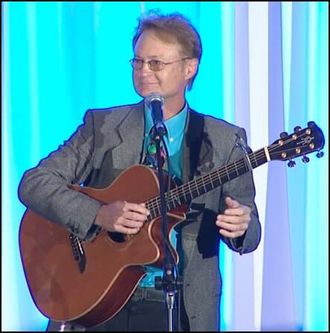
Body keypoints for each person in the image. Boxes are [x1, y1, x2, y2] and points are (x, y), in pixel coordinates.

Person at [18, 10, 261, 332]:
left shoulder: (223, 140)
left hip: (180, 307)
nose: (144, 71)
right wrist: (97, 214)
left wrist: (240, 225)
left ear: (190, 68)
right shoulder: (102, 126)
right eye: (137, 62)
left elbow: (252, 232)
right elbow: (33, 183)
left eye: (156, 63)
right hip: (94, 296)